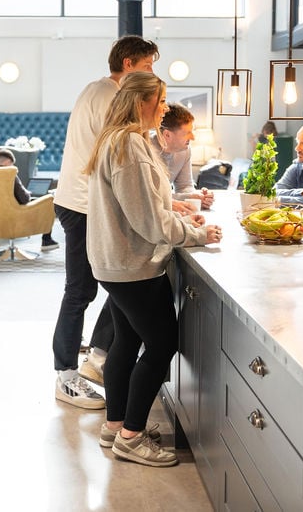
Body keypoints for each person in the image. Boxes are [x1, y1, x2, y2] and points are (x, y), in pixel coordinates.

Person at [84, 71, 221, 467]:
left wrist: (172, 209)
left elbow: (141, 204)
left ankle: (115, 426)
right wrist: (198, 235)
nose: (164, 110)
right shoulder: (130, 144)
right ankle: (131, 437)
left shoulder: (117, 139)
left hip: (115, 262)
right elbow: (147, 221)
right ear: (142, 101)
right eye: (160, 102)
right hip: (133, 265)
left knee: (126, 343)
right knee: (162, 345)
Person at [52, 35, 159, 410]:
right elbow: (117, 152)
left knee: (112, 284)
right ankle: (66, 375)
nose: (152, 74)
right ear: (128, 64)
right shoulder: (108, 95)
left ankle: (97, 358)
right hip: (83, 204)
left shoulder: (97, 89)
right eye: (147, 66)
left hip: (81, 201)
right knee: (83, 289)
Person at [150, 102, 214, 211]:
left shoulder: (185, 150)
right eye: (187, 133)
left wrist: (198, 198)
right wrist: (187, 198)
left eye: (192, 131)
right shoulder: (146, 150)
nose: (193, 137)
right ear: (167, 135)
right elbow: (152, 198)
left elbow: (185, 186)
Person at [0, 148, 59, 251]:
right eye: (11, 165)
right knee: (50, 200)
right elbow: (24, 199)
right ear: (7, 163)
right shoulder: (9, 174)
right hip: (15, 215)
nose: (13, 167)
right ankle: (46, 240)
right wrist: (28, 193)